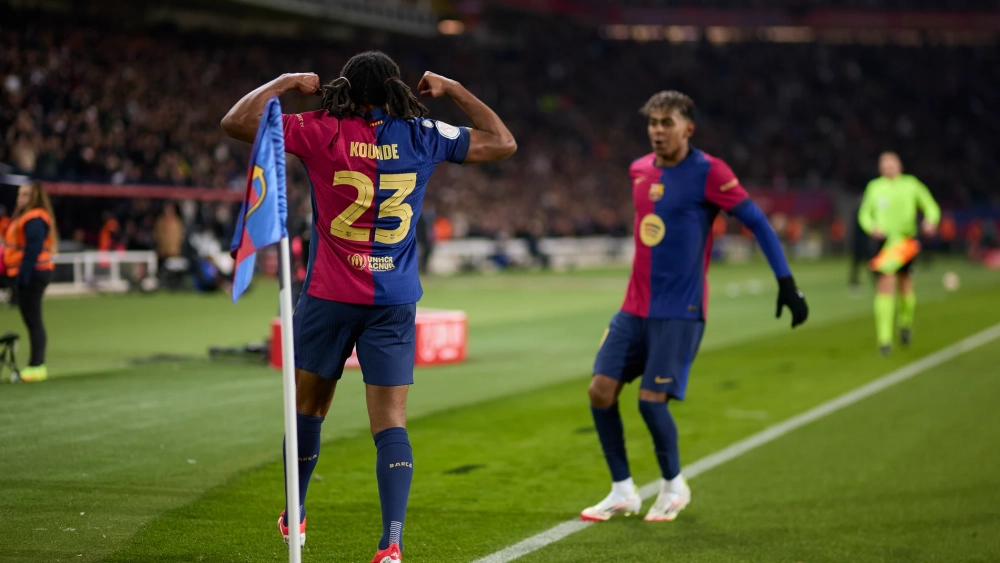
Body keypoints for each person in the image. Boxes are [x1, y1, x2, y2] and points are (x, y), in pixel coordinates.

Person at [221, 51, 516, 562]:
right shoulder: (424, 134)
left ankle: (297, 513)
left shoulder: (319, 129)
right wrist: (453, 88)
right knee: (391, 425)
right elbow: (503, 142)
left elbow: (236, 121)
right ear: (395, 91)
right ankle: (391, 543)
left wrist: (289, 80)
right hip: (394, 301)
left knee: (308, 409)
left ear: (345, 89)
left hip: (329, 296)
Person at [581, 91, 808, 523]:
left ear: (688, 128)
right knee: (600, 391)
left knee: (651, 401)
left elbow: (757, 220)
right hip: (634, 307)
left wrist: (787, 283)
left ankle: (673, 485)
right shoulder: (639, 170)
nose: (657, 131)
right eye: (652, 123)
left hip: (679, 309)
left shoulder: (710, 172)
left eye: (667, 123)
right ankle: (623, 490)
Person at [858, 152, 939, 356]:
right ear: (880, 168)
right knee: (885, 285)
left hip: (906, 243)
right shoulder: (874, 187)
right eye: (884, 164)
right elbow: (864, 213)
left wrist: (931, 220)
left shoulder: (911, 184)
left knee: (905, 286)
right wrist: (871, 227)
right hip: (884, 244)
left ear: (900, 166)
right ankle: (884, 339)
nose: (888, 167)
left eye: (891, 164)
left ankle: (905, 324)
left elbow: (930, 206)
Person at [2, 182, 58, 382]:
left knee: (33, 319)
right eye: (20, 194)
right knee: (31, 319)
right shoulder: (25, 217)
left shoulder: (34, 218)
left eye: (26, 194)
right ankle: (36, 365)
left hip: (33, 273)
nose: (21, 198)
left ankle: (37, 366)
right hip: (29, 272)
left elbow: (33, 249)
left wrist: (22, 279)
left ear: (35, 197)